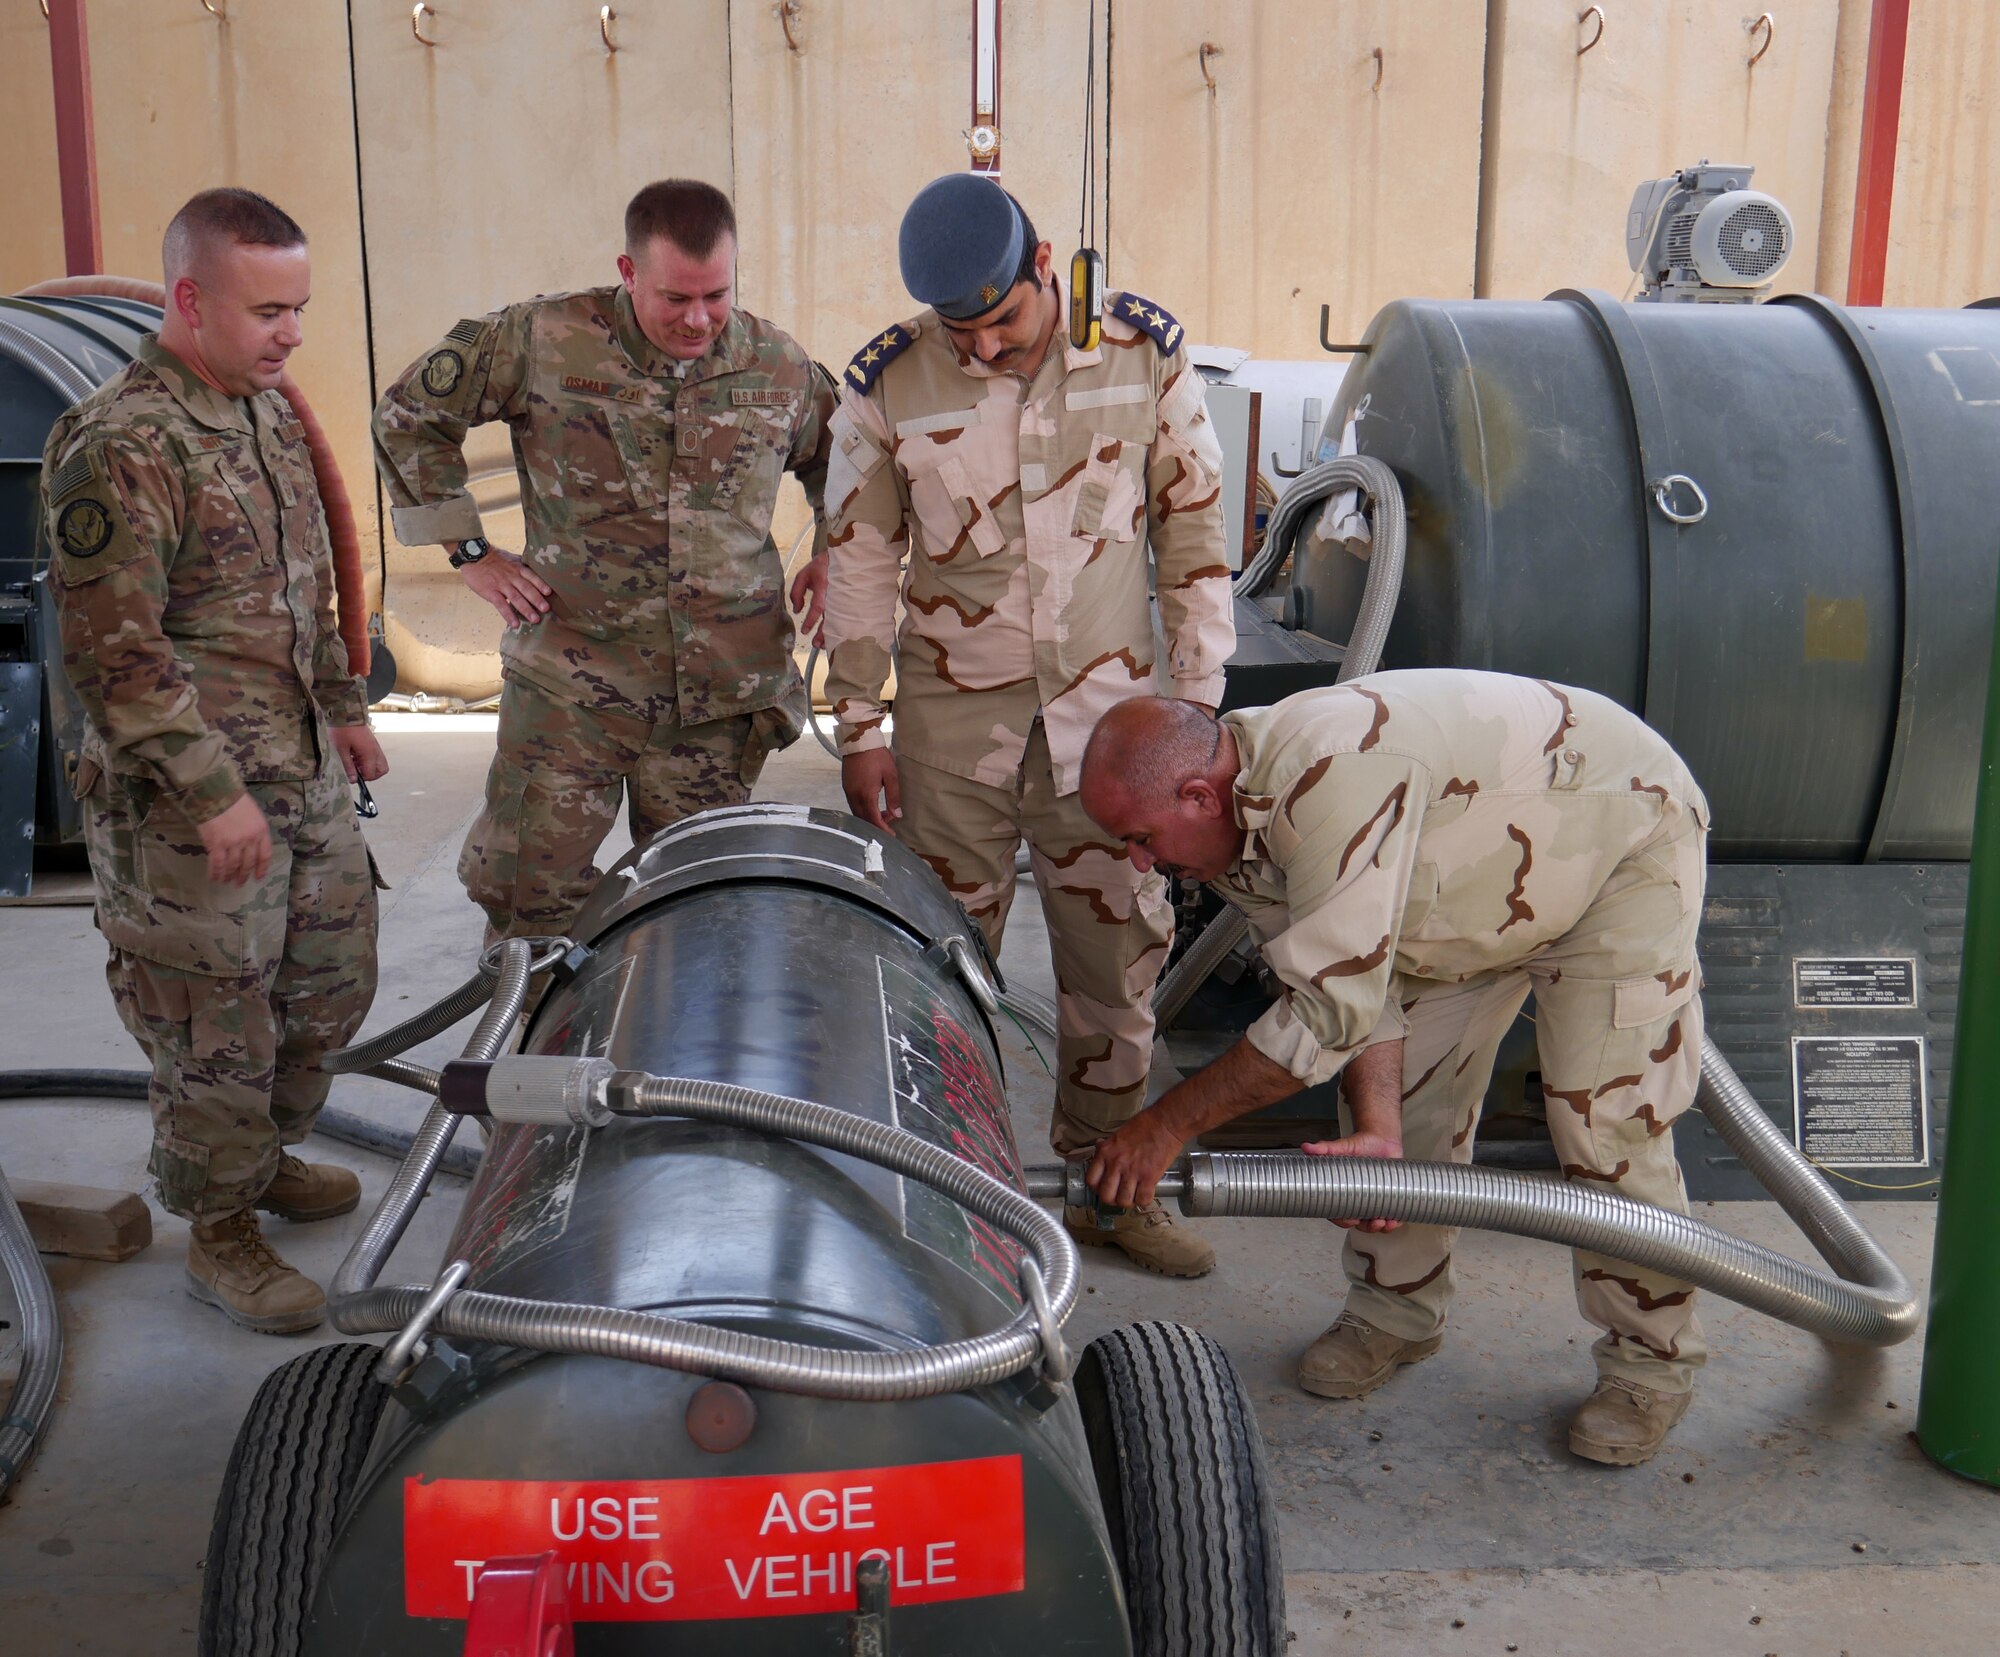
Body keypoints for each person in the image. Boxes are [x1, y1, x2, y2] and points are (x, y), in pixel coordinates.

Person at [1078, 672, 1711, 1465]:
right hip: (1472, 890)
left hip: (1617, 853)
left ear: (1199, 796)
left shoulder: (1330, 776)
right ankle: (1396, 1309)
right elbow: (1351, 1002)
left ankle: (1650, 1363)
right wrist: (1377, 1129)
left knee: (1604, 1122)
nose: (1140, 862)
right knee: (1403, 1115)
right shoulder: (1232, 833)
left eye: (1140, 836)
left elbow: (1322, 1015)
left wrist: (1163, 1127)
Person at [823, 173, 1236, 1278]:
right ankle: (938, 1197)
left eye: (1004, 318)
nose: (988, 346)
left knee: (1114, 963)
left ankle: (1108, 1186)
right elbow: (857, 563)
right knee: (936, 969)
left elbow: (1194, 538)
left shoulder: (1141, 353)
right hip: (949, 740)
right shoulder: (887, 383)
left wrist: (1196, 713)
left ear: (1043, 261)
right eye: (964, 329)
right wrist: (857, 725)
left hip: (1112, 734)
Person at [42, 188, 386, 1334]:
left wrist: (341, 705)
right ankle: (220, 1231)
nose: (292, 333)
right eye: (268, 309)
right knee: (215, 1027)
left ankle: (264, 1159)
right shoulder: (119, 442)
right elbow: (113, 651)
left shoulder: (264, 412)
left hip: (297, 772)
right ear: (188, 300)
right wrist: (212, 792)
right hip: (191, 810)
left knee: (325, 989)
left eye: (300, 307)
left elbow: (307, 589)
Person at [373, 180, 836, 945]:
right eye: (674, 297)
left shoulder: (776, 363)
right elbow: (408, 418)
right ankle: (529, 1056)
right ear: (628, 271)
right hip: (570, 689)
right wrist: (468, 551)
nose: (697, 319)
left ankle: (675, 1061)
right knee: (530, 898)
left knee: (697, 906)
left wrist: (832, 551)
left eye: (716, 295)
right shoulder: (541, 339)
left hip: (716, 703)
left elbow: (849, 462)